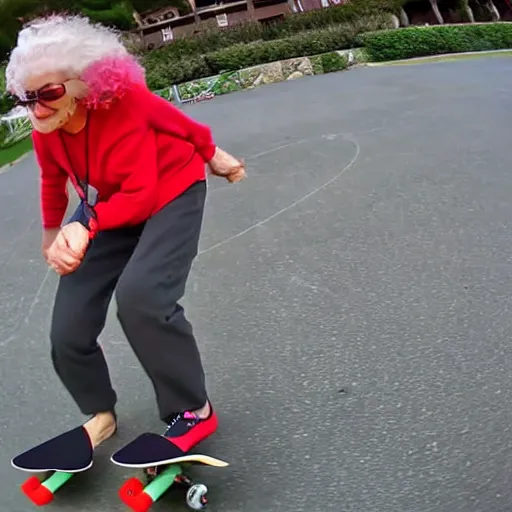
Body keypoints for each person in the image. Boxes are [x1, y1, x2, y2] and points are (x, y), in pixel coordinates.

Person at [5, 14, 245, 454]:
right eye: (26, 97)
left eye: (50, 94)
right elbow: (50, 182)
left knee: (143, 299)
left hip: (170, 188)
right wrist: (52, 234)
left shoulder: (124, 104)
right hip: (105, 203)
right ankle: (99, 414)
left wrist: (211, 152)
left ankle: (194, 409)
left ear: (81, 82)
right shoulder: (46, 130)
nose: (37, 108)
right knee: (68, 326)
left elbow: (142, 190)